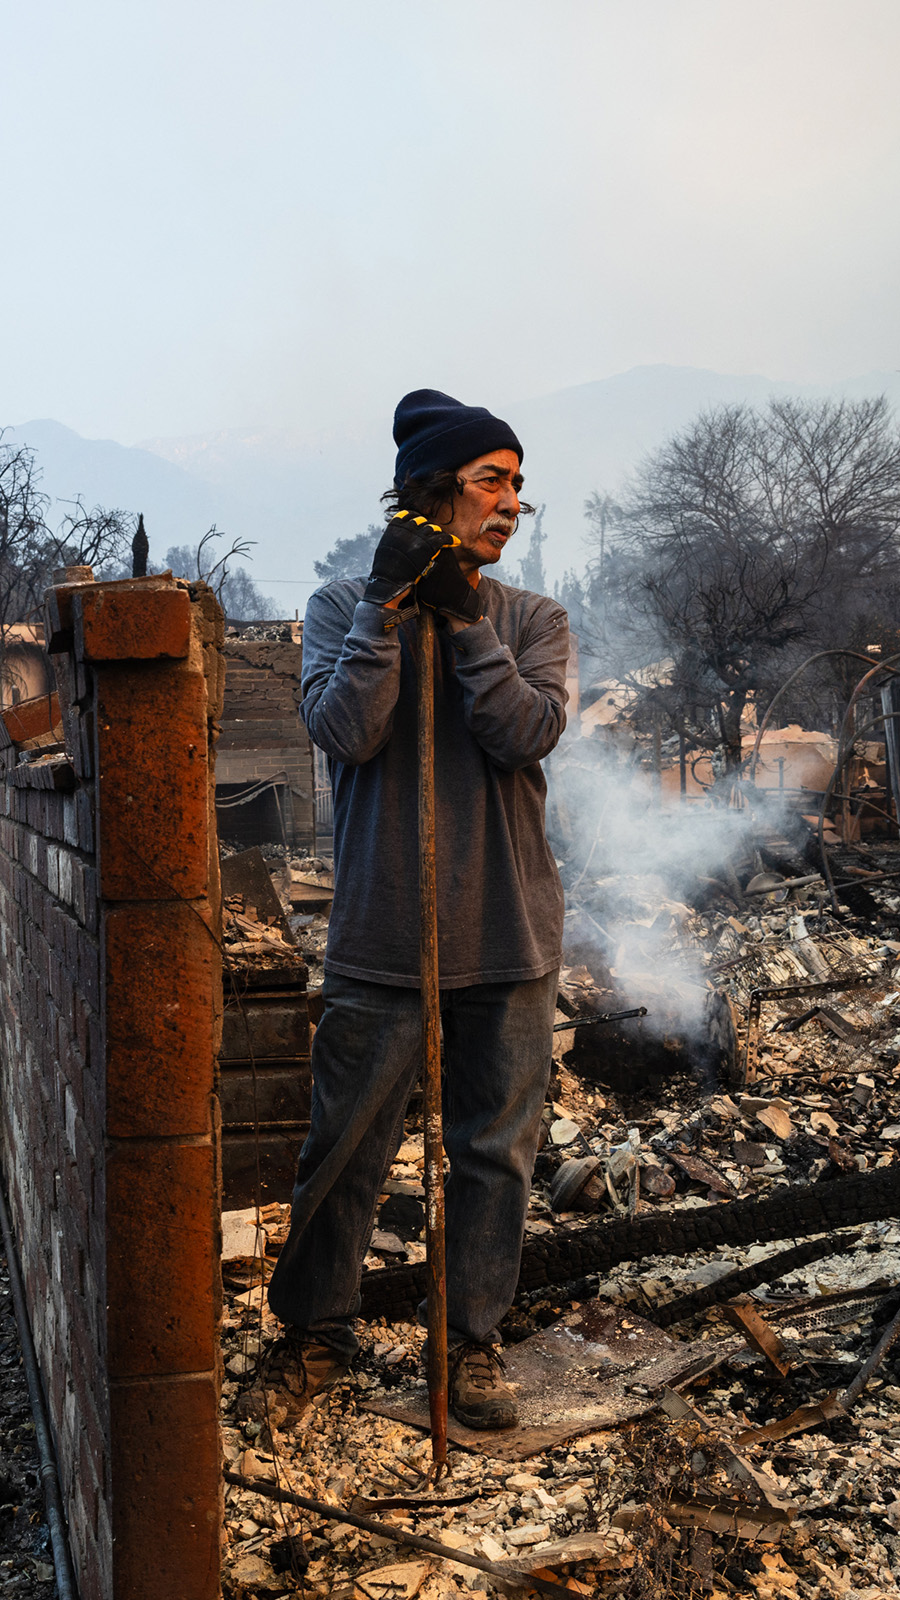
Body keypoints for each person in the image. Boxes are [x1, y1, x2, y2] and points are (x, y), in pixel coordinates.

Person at [262, 389, 569, 1431]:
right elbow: (346, 732)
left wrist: (469, 623)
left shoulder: (532, 617)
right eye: (492, 480)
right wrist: (387, 612)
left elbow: (522, 732)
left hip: (509, 929)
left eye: (518, 483)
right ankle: (315, 1332)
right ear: (431, 495)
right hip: (386, 933)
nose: (513, 503)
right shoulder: (340, 605)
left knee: (493, 1152)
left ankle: (471, 1343)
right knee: (346, 1146)